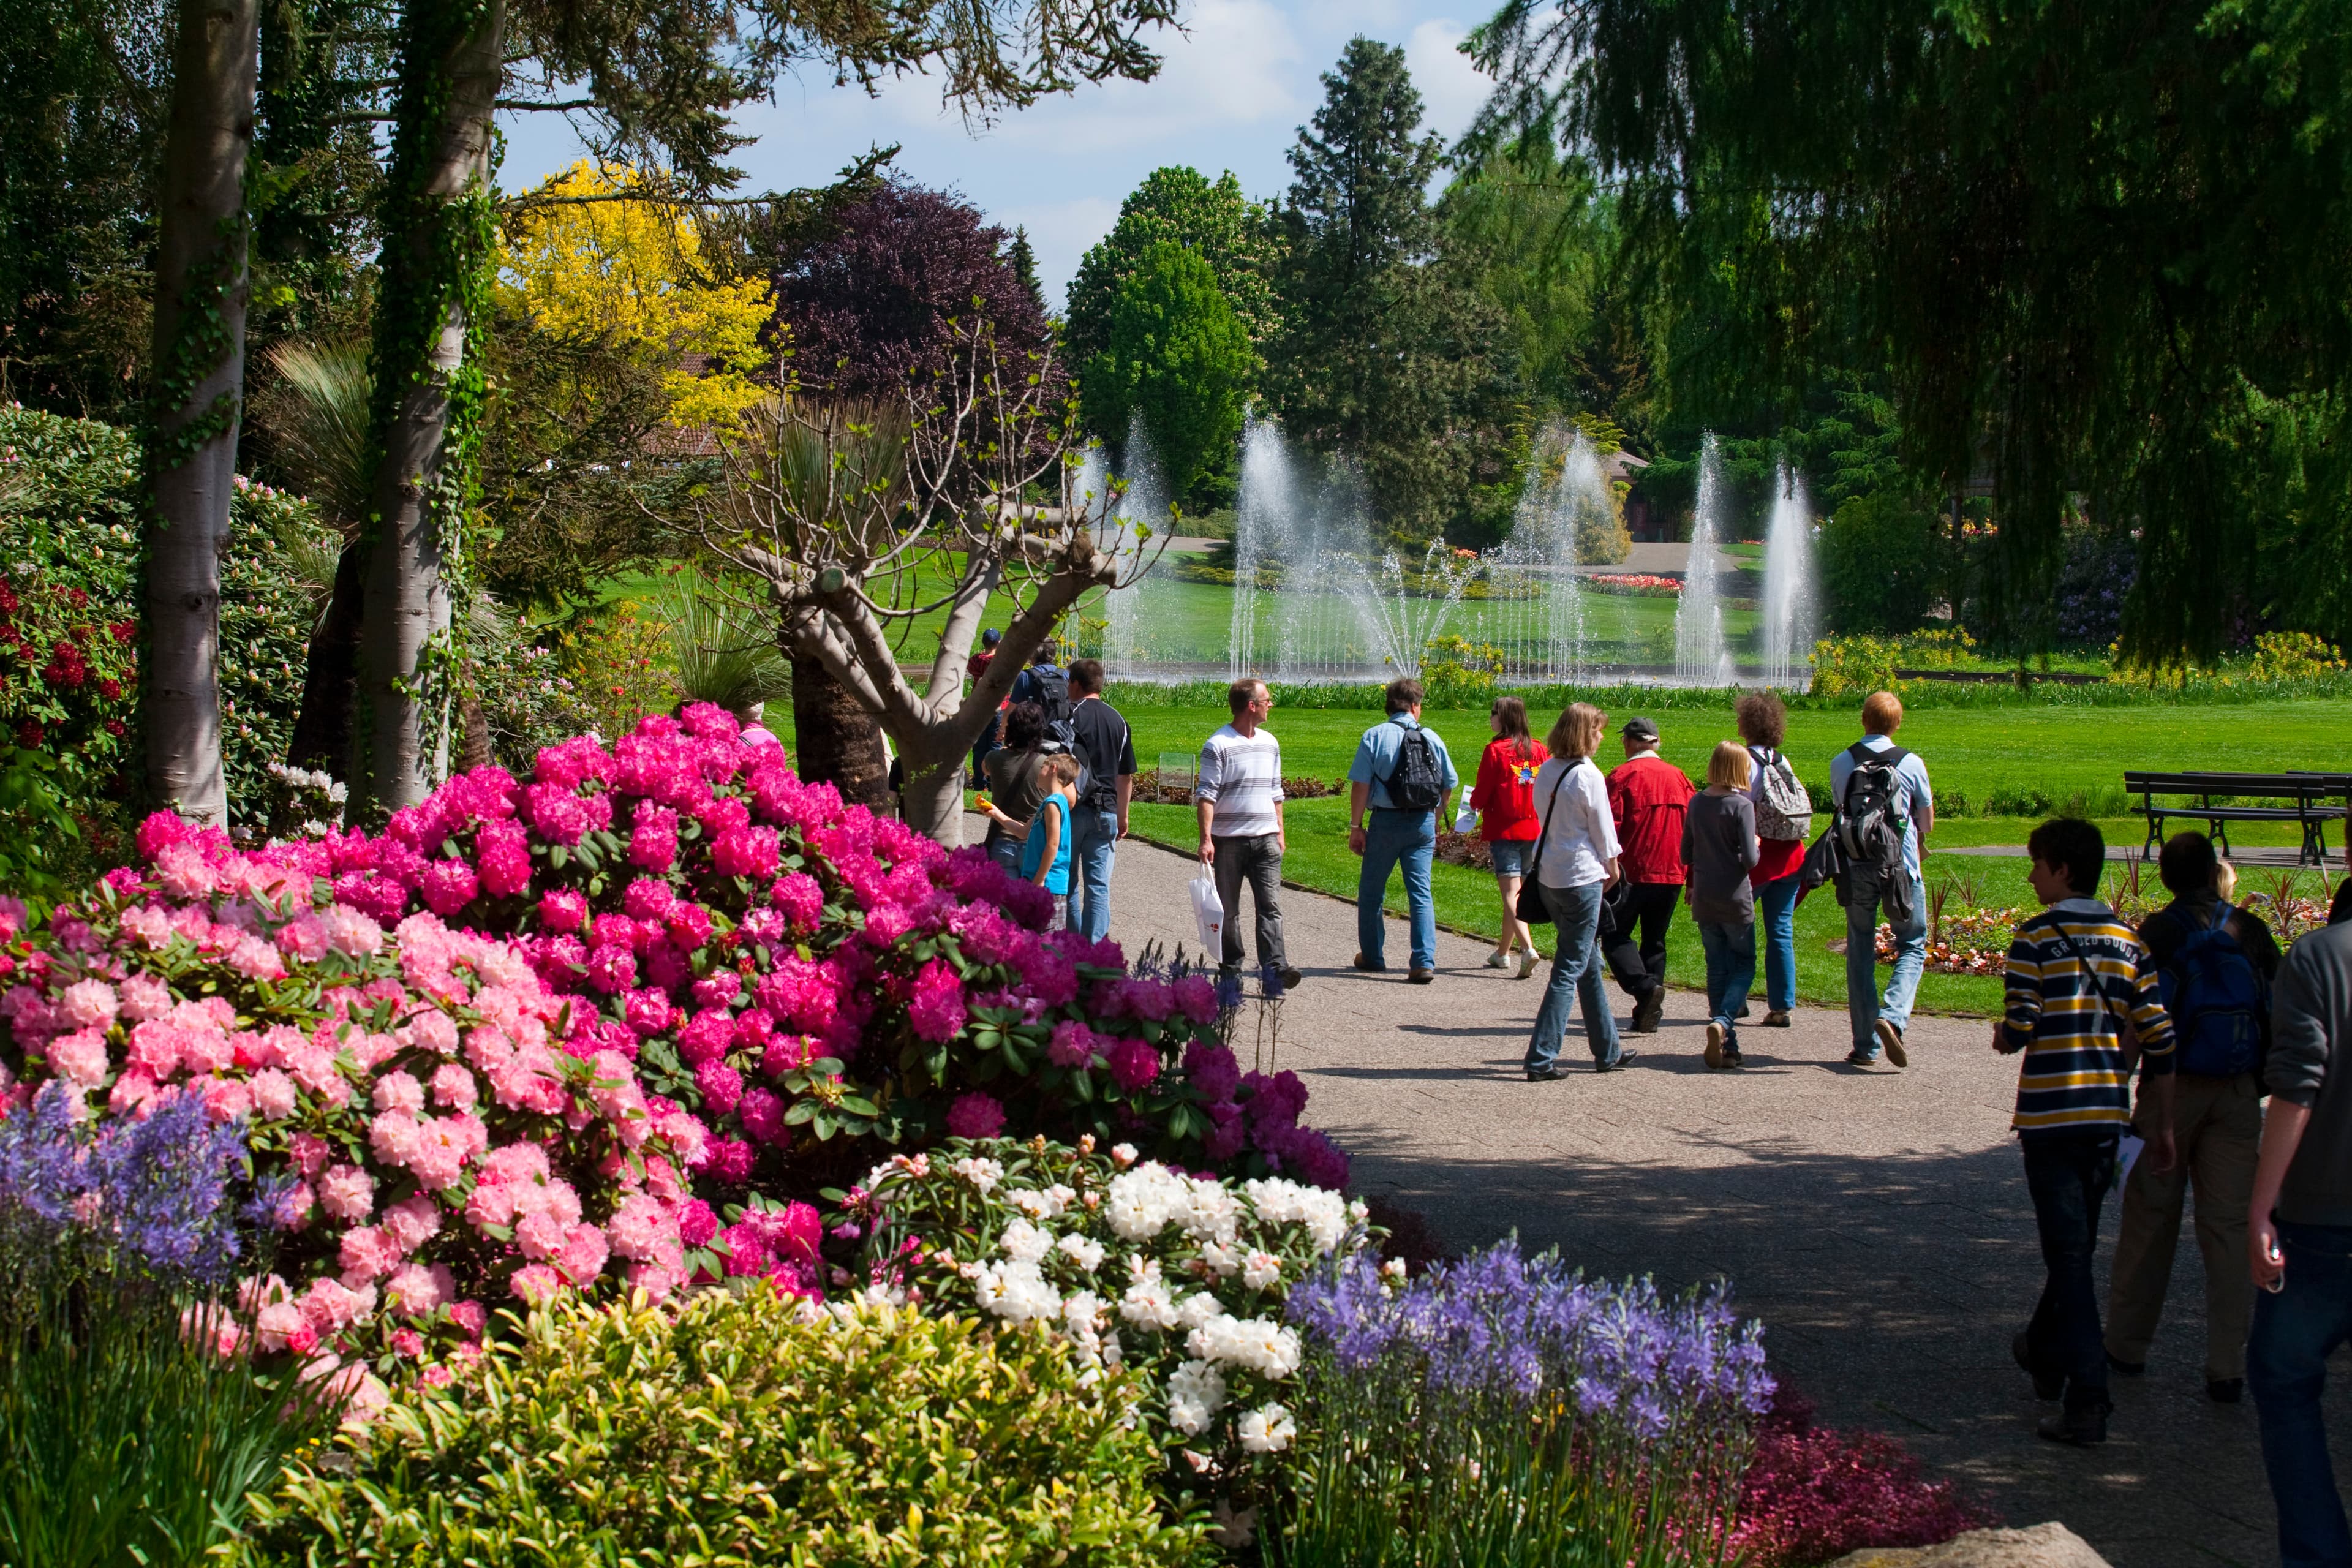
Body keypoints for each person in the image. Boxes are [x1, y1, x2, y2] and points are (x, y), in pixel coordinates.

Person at [1996, 817, 2177, 1447]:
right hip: (2105, 1113)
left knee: (2067, 1257)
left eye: (2037, 864)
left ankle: (2088, 1394)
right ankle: (2045, 1351)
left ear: (2063, 870)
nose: (2030, 874)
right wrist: (2165, 1123)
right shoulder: (2129, 940)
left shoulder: (2034, 937)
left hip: (2050, 1116)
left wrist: (2005, 1034)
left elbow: (2020, 1023)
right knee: (2074, 1251)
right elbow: (2159, 1036)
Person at [2107, 832, 2277, 1403]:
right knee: (2228, 1229)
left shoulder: (2157, 933)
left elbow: (2138, 1016)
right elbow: (2274, 1007)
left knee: (2151, 1221)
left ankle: (2128, 1345)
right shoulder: (2249, 931)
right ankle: (2227, 1362)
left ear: (2165, 877)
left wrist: (2119, 1086)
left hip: (2170, 1090)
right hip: (2236, 1091)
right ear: (2212, 873)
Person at [2247, 905, 2352, 1568]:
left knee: (2284, 1380)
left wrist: (2261, 1207)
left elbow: (2296, 1087)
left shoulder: (2318, 957)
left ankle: (2319, 1555)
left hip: (2321, 1217)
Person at [1523, 703, 1629, 1080]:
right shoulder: (1588, 775)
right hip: (1581, 877)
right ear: (1586, 733)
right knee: (1569, 968)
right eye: (1598, 730)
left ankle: (1608, 1050)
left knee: (1585, 965)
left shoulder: (1547, 770)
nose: (1602, 737)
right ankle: (1541, 1057)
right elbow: (1603, 830)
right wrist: (1612, 866)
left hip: (1550, 873)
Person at [1831, 690, 1936, 1068]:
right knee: (1912, 943)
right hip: (1900, 868)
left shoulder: (1843, 762)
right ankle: (1892, 1017)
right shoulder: (1911, 763)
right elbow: (1926, 823)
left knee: (1859, 948)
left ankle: (1865, 1045)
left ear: (1863, 719)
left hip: (1856, 864)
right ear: (1897, 723)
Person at [1346, 678, 1460, 983]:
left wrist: (1356, 826)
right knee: (1420, 893)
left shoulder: (1374, 736)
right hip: (1422, 822)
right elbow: (1449, 784)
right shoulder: (1432, 738)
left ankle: (1372, 956)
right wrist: (1435, 819)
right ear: (1415, 706)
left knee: (1372, 892)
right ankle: (1423, 961)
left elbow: (1361, 785)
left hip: (1385, 821)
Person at [1196, 679, 1300, 994]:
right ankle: (1231, 970)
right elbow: (1206, 796)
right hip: (1229, 840)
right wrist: (1206, 840)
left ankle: (1275, 969)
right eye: (1267, 700)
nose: (1272, 704)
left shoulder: (1270, 743)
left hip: (1266, 838)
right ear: (1251, 706)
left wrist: (1280, 830)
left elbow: (1275, 791)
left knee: (1270, 907)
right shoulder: (1218, 745)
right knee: (1228, 910)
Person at [1602, 717, 1693, 1034]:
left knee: (1615, 936)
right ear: (1656, 742)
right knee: (1654, 941)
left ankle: (1644, 990)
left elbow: (1609, 827)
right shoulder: (1679, 777)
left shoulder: (1623, 776)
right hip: (1672, 871)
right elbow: (1692, 829)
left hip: (1633, 871)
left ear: (1629, 741)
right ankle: (1647, 1012)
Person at [1686, 742, 1760, 1071]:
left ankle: (1728, 1045)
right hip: (1734, 895)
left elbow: (1685, 854)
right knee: (1744, 963)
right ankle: (1724, 1020)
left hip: (1705, 894)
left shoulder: (1697, 803)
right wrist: (1753, 845)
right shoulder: (1741, 806)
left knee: (1716, 966)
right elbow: (1752, 859)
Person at [1738, 692, 1808, 1027]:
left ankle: (1736, 998)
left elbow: (1738, 811)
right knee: (1781, 931)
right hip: (1791, 856)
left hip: (1758, 857)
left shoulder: (1744, 762)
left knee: (1741, 929)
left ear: (1748, 725)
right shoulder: (1782, 760)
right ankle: (1782, 1005)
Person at [1470, 695, 1548, 979]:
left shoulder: (1496, 751)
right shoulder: (1540, 750)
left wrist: (1472, 807)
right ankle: (1503, 953)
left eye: (1493, 713)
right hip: (1533, 826)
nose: (1490, 717)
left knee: (1509, 894)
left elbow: (1482, 790)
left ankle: (1528, 949)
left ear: (1504, 718)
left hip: (1505, 827)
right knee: (1516, 895)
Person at [1065, 658, 1137, 943]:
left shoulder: (1070, 715)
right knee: (1098, 885)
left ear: (1077, 684)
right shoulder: (1118, 720)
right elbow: (1125, 775)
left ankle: (1073, 945)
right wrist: (1123, 814)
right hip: (1107, 809)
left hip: (1073, 808)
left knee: (1068, 882)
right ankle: (1094, 949)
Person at [979, 701, 1049, 876]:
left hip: (1001, 839)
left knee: (1005, 902)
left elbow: (984, 769)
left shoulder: (994, 758)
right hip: (1033, 843)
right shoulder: (1046, 764)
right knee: (1031, 900)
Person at [1019, 753, 1080, 929]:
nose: (1039, 773)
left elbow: (1053, 845)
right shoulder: (1053, 802)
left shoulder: (1053, 805)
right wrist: (994, 812)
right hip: (1046, 883)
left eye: (1042, 768)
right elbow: (1023, 831)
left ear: (1053, 769)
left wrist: (1039, 879)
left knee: (1046, 941)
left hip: (1048, 884)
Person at [1010, 640, 1076, 746]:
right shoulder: (1065, 675)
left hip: (1031, 738)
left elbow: (1012, 709)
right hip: (1060, 735)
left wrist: (1003, 730)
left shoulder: (1025, 677)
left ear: (1033, 654)